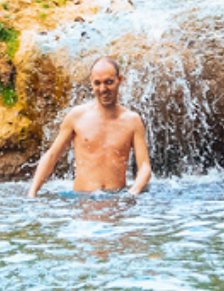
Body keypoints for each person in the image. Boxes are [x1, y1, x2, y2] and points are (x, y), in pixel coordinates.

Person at [27, 56, 153, 196]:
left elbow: (145, 167)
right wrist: (32, 193)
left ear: (120, 80)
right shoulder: (77, 116)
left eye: (109, 82)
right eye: (97, 83)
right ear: (91, 83)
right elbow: (52, 156)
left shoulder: (133, 121)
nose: (103, 89)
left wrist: (132, 193)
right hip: (82, 200)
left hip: (117, 200)